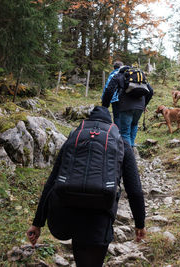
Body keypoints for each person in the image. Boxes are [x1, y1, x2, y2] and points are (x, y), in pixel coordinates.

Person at [26, 106, 146, 267]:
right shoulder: (121, 143)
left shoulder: (74, 139)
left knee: (80, 254)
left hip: (67, 212)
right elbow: (135, 190)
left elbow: (51, 182)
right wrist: (139, 223)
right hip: (99, 217)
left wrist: (37, 223)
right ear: (110, 125)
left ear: (88, 122)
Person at [102, 66, 153, 147]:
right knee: (134, 124)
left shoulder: (119, 75)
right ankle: (131, 147)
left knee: (125, 132)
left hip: (126, 106)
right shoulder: (139, 76)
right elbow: (151, 91)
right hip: (140, 106)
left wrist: (105, 106)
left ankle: (127, 153)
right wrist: (144, 105)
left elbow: (109, 90)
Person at [101, 61, 123, 128]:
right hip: (125, 99)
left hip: (115, 99)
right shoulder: (125, 74)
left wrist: (103, 99)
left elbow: (107, 88)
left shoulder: (113, 75)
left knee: (117, 116)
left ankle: (117, 132)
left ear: (114, 68)